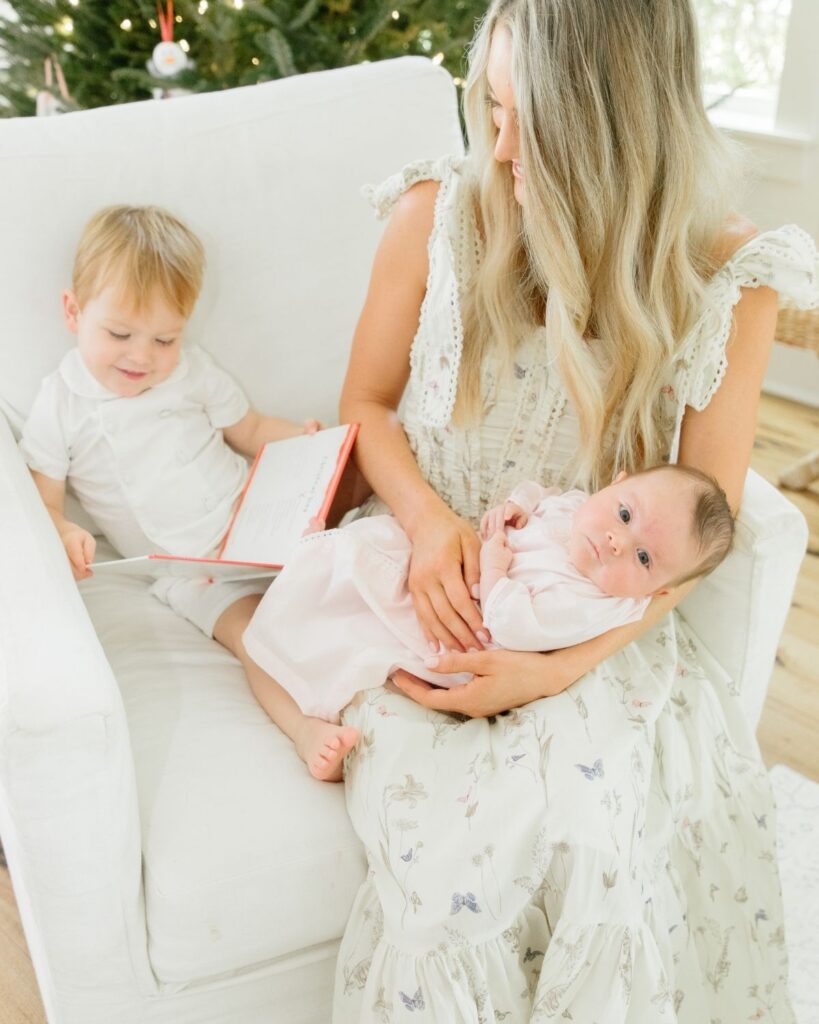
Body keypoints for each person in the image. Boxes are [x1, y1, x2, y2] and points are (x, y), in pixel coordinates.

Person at [330, 1, 819, 1020]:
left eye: (527, 120)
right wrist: (426, 522)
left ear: (611, 127)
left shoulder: (730, 278)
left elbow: (698, 539)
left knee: (611, 854)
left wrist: (556, 666)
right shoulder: (439, 216)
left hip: (599, 622)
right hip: (431, 586)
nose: (496, 146)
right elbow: (364, 407)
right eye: (491, 108)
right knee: (450, 882)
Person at [19, 205, 360, 772]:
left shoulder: (190, 371)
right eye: (120, 333)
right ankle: (304, 730)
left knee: (339, 557)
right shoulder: (62, 403)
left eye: (164, 338)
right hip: (192, 572)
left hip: (256, 517)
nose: (141, 357)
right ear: (73, 312)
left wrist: (304, 441)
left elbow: (249, 431)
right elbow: (44, 502)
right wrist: (63, 529)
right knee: (253, 637)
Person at [243, 465, 733, 729]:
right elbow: (543, 492)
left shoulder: (593, 602)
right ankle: (316, 554)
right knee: (376, 545)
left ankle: (309, 589)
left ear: (660, 591)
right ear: (617, 484)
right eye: (625, 516)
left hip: (474, 628)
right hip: (463, 569)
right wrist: (518, 505)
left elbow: (517, 625)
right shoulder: (584, 511)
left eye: (644, 560)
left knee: (370, 613)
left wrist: (496, 568)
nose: (617, 542)